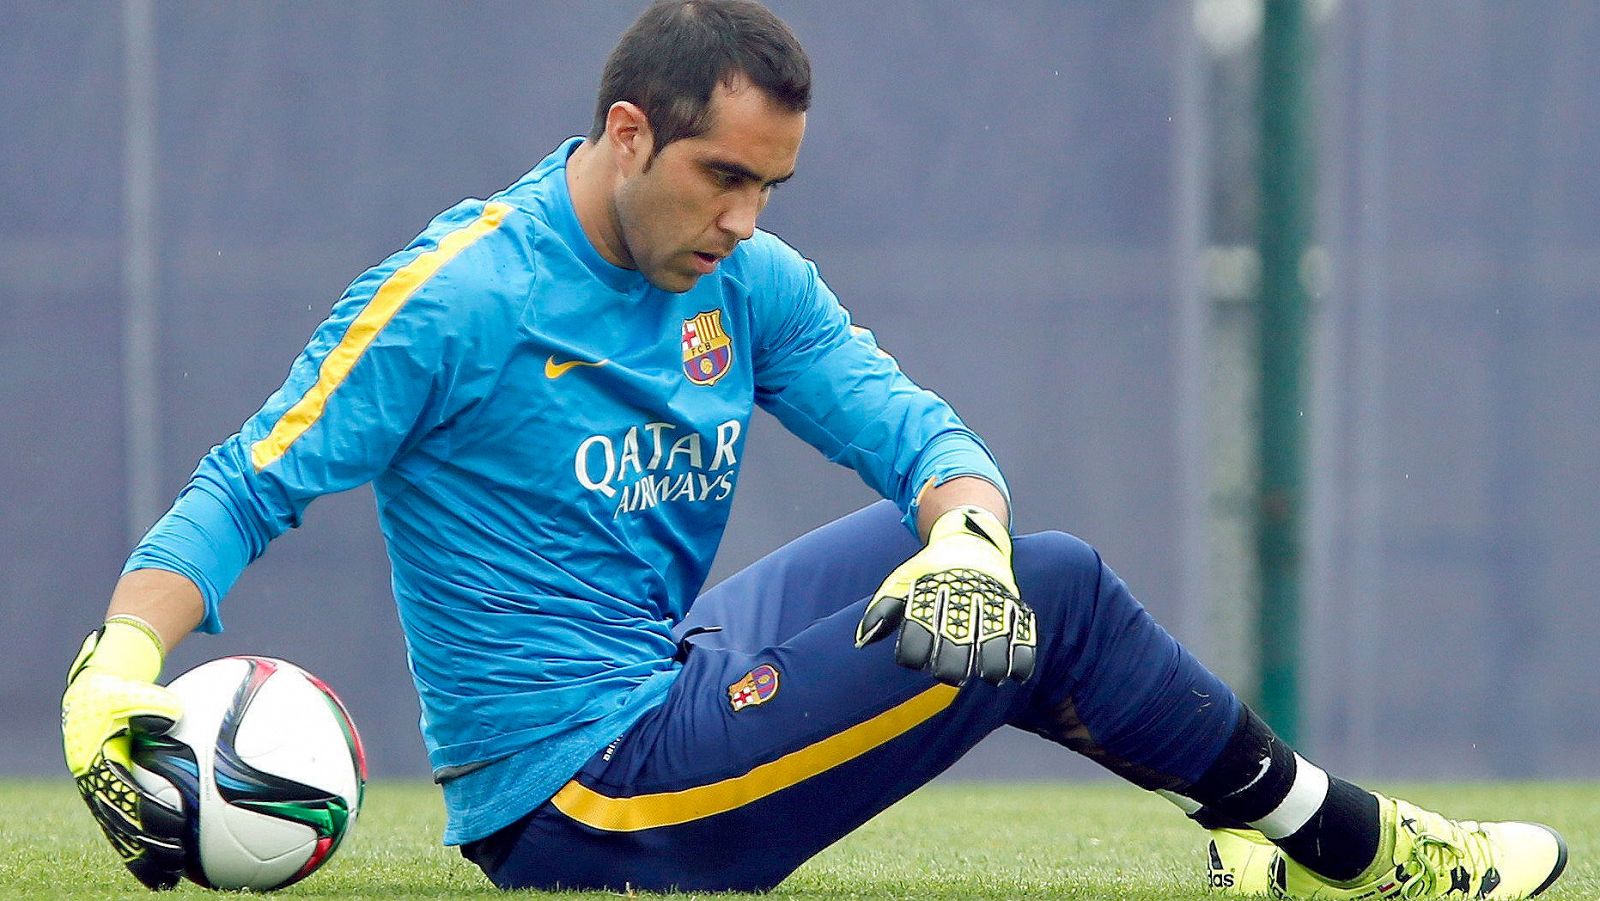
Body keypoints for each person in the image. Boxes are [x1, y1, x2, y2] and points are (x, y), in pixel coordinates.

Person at [59, 2, 1567, 897]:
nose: (745, 221)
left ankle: (1237, 810)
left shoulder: (743, 279)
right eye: (723, 178)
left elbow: (919, 433)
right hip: (582, 805)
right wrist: (116, 672)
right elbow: (248, 485)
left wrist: (961, 520)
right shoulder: (457, 298)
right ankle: (1358, 849)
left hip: (665, 685)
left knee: (991, 566)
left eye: (771, 187)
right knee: (1058, 599)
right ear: (629, 133)